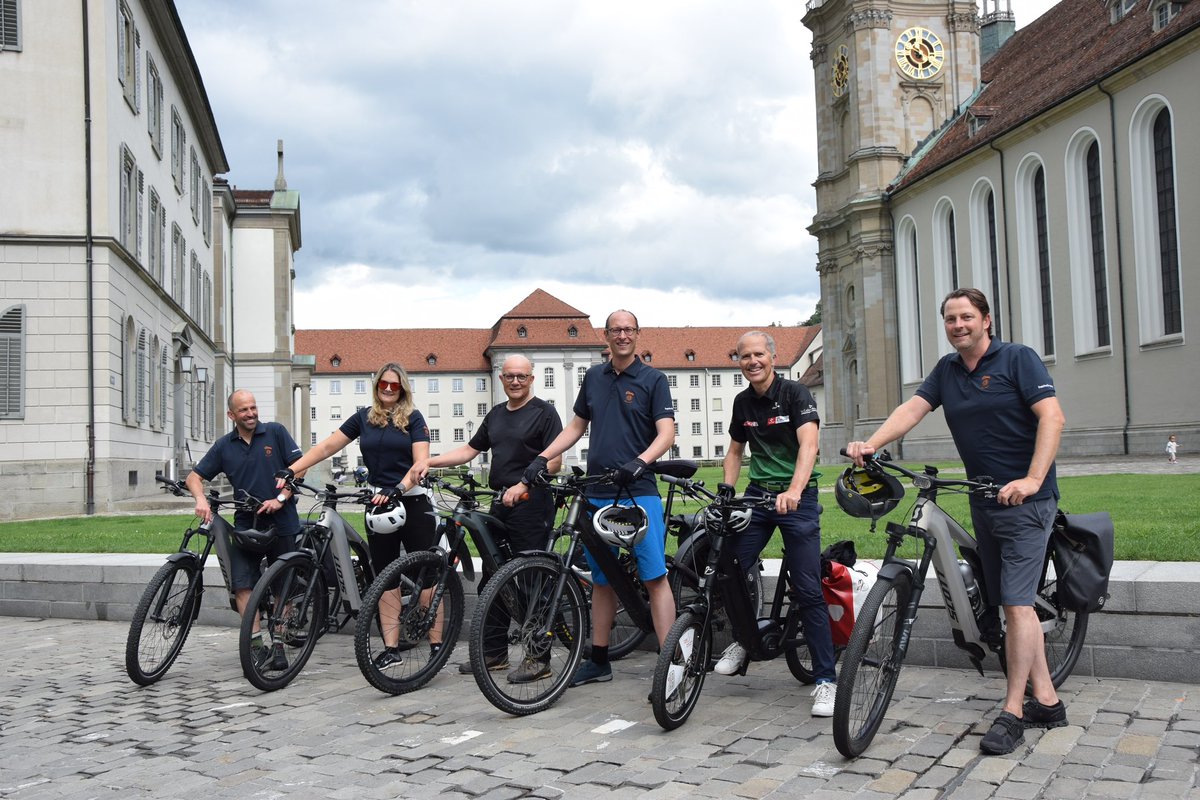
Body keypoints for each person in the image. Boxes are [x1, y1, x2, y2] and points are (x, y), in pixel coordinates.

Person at [846, 287, 1068, 756]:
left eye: (966, 317)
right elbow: (914, 408)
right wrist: (873, 444)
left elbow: (1052, 418)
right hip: (984, 499)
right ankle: (1047, 700)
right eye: (950, 319)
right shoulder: (947, 370)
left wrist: (1031, 478)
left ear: (987, 320)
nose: (958, 325)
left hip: (1027, 502)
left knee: (1015, 605)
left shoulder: (1017, 360)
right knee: (1005, 599)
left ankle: (1012, 712)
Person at [522, 309, 676, 688]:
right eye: (615, 330)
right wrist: (542, 458)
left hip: (638, 491)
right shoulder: (593, 376)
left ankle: (673, 662)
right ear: (606, 336)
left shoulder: (653, 379)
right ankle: (600, 659)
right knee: (603, 580)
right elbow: (576, 426)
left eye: (628, 329)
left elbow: (666, 433)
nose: (622, 335)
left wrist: (640, 462)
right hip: (598, 490)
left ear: (638, 334)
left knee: (654, 576)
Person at [411, 354, 564, 682]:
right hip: (500, 503)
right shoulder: (495, 415)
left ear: (532, 378)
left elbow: (555, 462)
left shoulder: (544, 413)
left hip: (532, 502)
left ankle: (539, 659)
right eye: (510, 376)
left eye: (522, 376)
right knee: (493, 577)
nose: (516, 382)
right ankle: (494, 654)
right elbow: (469, 450)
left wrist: (524, 482)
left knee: (531, 579)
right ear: (502, 379)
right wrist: (431, 462)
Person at [277, 362, 437, 669]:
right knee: (385, 575)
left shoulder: (414, 419)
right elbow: (326, 446)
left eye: (395, 386)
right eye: (383, 385)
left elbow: (420, 462)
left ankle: (435, 646)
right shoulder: (364, 418)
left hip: (412, 501)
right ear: (376, 386)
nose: (388, 390)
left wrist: (398, 488)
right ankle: (391, 648)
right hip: (378, 503)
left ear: (402, 389)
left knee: (426, 574)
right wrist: (293, 469)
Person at [713, 331, 837, 716]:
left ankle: (826, 681)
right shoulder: (742, 402)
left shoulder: (796, 394)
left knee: (807, 590)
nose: (752, 361)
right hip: (759, 496)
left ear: (772, 356)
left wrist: (796, 490)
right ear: (739, 361)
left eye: (758, 354)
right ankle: (745, 639)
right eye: (744, 356)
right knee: (726, 568)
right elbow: (735, 451)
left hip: (796, 499)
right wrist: (726, 493)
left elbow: (809, 445)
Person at [186, 390, 305, 669]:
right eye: (243, 410)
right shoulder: (224, 446)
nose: (251, 413)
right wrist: (201, 499)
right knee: (242, 584)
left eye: (253, 407)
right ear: (232, 415)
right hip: (245, 523)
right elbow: (194, 477)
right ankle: (256, 647)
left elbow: (299, 469)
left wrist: (281, 498)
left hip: (282, 520)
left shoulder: (275, 432)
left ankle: (278, 646)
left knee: (282, 586)